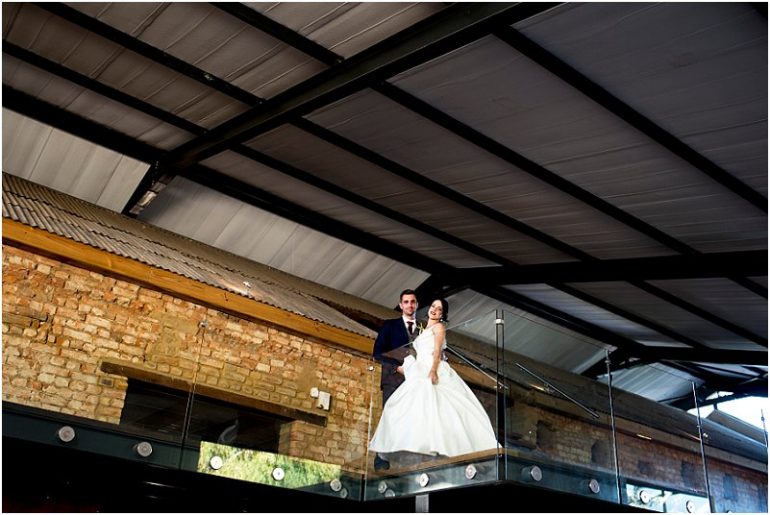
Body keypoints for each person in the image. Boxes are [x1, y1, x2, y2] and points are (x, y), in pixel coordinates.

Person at [369, 298, 499, 461]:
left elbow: (437, 351)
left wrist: (433, 370)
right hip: (420, 367)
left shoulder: (439, 327)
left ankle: (444, 445)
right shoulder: (423, 330)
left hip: (432, 367)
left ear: (442, 314)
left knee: (438, 405)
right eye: (433, 306)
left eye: (439, 309)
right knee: (410, 406)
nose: (434, 310)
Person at [371, 289, 419, 470]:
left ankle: (408, 458)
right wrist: (397, 368)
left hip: (415, 382)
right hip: (393, 379)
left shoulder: (423, 329)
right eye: (406, 302)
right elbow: (378, 352)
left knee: (412, 419)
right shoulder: (390, 326)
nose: (409, 305)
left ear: (417, 305)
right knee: (390, 417)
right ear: (400, 305)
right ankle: (381, 459)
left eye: (412, 302)